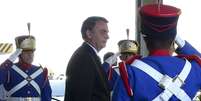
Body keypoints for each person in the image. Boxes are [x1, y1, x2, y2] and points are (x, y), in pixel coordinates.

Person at [112, 4, 201, 101]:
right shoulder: (193, 70)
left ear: (145, 39)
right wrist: (182, 43)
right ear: (173, 39)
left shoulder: (130, 73)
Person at [64, 16, 111, 101]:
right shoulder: (84, 58)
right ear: (89, 34)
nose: (107, 37)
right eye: (103, 32)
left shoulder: (89, 55)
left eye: (107, 32)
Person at [0, 35, 52, 101]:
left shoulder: (41, 72)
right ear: (19, 54)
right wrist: (9, 60)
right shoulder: (9, 70)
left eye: (32, 52)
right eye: (26, 52)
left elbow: (46, 96)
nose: (30, 55)